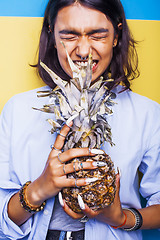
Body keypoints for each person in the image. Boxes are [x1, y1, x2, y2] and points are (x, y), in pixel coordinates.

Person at [0, 0, 160, 239]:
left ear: (116, 36)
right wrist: (37, 190)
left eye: (98, 35)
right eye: (69, 35)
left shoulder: (147, 114)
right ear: (52, 35)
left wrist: (122, 218)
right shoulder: (18, 109)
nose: (84, 51)